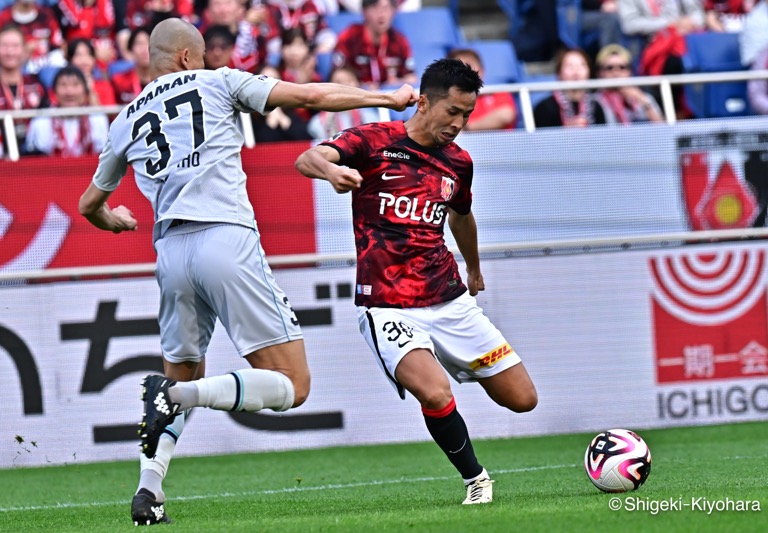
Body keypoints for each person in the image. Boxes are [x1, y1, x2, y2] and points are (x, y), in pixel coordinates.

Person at [77, 17, 416, 526]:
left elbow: (88, 204)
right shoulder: (218, 80)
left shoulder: (125, 118)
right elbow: (310, 95)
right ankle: (177, 396)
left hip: (170, 254)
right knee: (292, 384)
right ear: (190, 57)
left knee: (184, 369)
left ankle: (149, 490)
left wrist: (115, 219)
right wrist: (385, 98)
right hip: (224, 239)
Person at [294, 58, 538, 505]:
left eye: (467, 114)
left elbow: (462, 217)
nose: (460, 124)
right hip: (387, 304)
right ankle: (476, 479)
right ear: (424, 102)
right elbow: (308, 157)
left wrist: (475, 267)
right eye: (453, 112)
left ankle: (440, 356)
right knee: (434, 389)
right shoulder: (372, 141)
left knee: (523, 399)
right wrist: (332, 172)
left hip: (448, 298)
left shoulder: (459, 163)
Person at [0, 25, 50, 150]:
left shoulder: (36, 84)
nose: (10, 52)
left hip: (36, 153)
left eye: (15, 46)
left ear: (25, 51)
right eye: (4, 46)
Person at [25, 65, 109, 156]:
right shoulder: (42, 120)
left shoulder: (97, 119)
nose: (69, 92)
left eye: (75, 85)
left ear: (85, 91)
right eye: (63, 85)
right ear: (54, 91)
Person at [331, 0, 416, 89]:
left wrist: (396, 83)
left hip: (389, 96)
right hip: (359, 96)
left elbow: (412, 77)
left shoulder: (399, 40)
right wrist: (357, 85)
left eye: (386, 8)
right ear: (364, 12)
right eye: (375, 8)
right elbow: (337, 74)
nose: (381, 14)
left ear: (393, 12)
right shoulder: (349, 37)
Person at [447, 48, 517, 131]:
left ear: (482, 70)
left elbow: (506, 115)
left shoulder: (497, 92)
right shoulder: (446, 99)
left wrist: (467, 127)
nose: (466, 71)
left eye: (471, 65)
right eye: (460, 67)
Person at [534, 48, 606, 128]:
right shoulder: (544, 108)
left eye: (581, 65)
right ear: (559, 73)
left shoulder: (596, 107)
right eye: (570, 66)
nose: (576, 71)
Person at [595, 44, 664, 124]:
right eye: (609, 68)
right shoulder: (595, 102)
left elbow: (661, 127)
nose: (616, 72)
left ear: (630, 72)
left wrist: (643, 101)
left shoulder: (644, 98)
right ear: (600, 73)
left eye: (622, 67)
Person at [0, 0, 65, 73]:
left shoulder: (47, 15)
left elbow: (58, 47)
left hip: (45, 67)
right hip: (15, 67)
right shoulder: (2, 18)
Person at [307, 66, 380, 139]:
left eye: (349, 80)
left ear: (358, 84)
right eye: (338, 82)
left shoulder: (371, 118)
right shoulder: (318, 123)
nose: (344, 86)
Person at [66, 38, 117, 106]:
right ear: (70, 59)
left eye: (89, 54)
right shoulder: (64, 86)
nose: (84, 60)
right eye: (78, 55)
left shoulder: (104, 86)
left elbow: (107, 114)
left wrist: (91, 91)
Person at [111, 26, 151, 104]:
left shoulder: (165, 80)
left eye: (149, 43)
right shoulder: (119, 82)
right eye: (139, 44)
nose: (145, 49)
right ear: (131, 49)